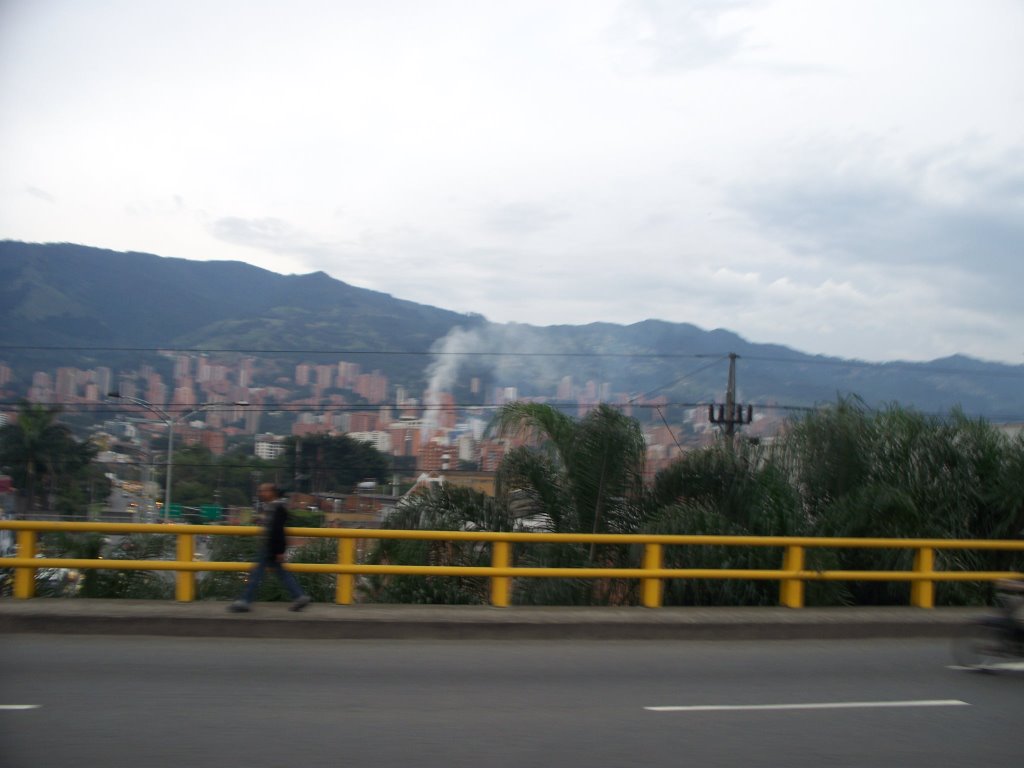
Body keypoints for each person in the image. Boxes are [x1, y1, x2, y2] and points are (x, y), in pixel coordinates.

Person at [229, 483, 311, 612]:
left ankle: (245, 601)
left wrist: (279, 550)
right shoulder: (274, 507)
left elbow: (278, 530)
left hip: (270, 547)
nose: (260, 493)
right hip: (271, 547)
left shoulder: (277, 507)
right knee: (281, 574)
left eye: (263, 491)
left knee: (256, 574)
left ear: (272, 492)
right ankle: (299, 596)